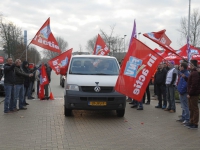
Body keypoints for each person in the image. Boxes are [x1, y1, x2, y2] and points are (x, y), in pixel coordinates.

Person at [184, 60, 200, 129]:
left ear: (193, 65)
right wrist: (185, 78)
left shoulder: (195, 73)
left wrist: (190, 93)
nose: (189, 66)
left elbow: (194, 85)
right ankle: (191, 121)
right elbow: (190, 82)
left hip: (194, 93)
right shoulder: (193, 72)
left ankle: (195, 123)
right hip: (192, 93)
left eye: (190, 64)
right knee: (191, 108)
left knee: (194, 108)